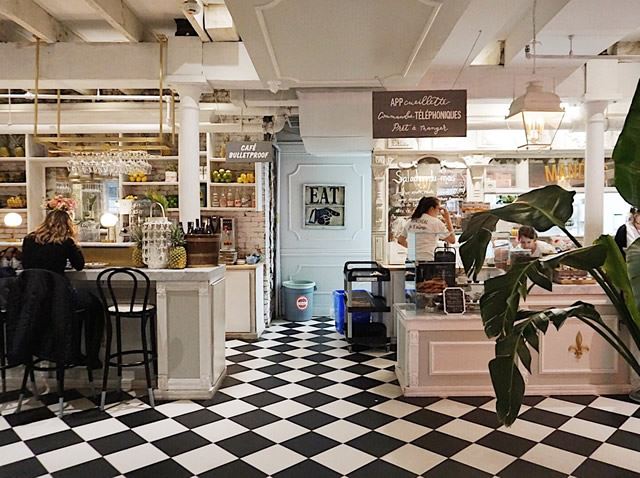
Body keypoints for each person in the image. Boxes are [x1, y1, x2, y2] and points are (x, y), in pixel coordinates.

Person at [21, 208, 104, 368]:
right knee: (94, 306)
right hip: (58, 297)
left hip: (34, 299)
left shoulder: (29, 240)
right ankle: (91, 357)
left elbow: (26, 265)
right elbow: (79, 265)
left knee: (77, 305)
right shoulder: (66, 242)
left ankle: (69, 352)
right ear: (67, 225)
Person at [397, 196, 455, 261]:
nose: (439, 212)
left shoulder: (410, 222)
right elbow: (452, 240)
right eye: (439, 209)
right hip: (427, 260)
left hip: (411, 261)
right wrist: (447, 218)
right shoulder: (435, 222)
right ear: (432, 208)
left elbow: (400, 240)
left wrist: (413, 249)